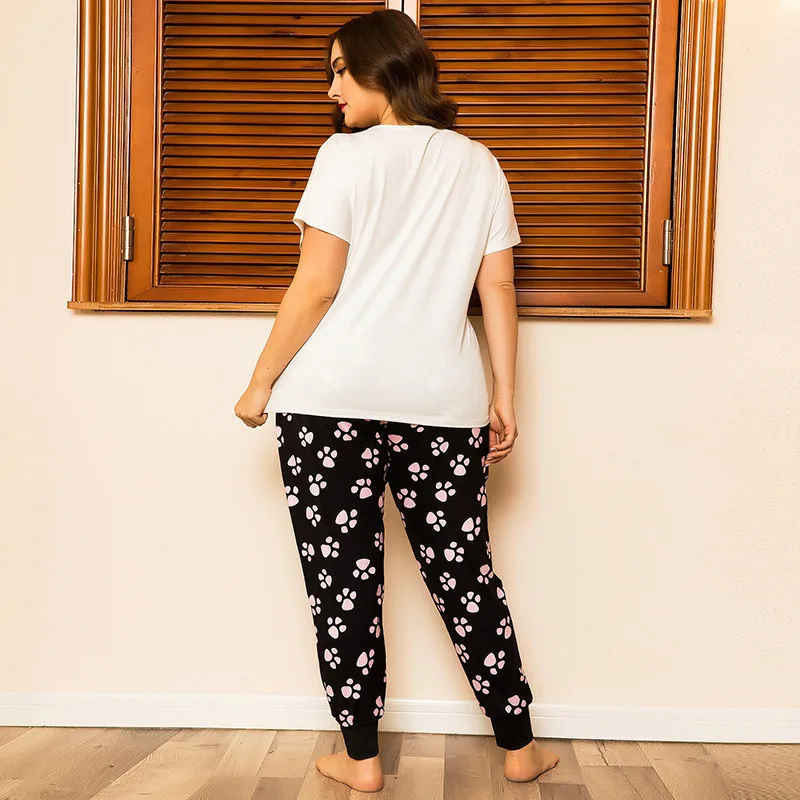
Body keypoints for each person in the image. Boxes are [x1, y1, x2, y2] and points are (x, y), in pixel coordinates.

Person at [234, 8, 559, 793]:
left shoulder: (343, 158)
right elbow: (498, 287)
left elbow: (318, 283)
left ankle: (361, 758)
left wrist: (261, 380)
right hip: (442, 404)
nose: (332, 89)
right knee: (465, 573)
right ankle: (520, 748)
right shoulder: (478, 163)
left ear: (384, 68)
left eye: (341, 71)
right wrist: (504, 394)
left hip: (329, 402)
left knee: (342, 580)